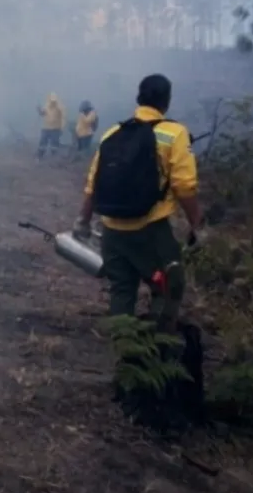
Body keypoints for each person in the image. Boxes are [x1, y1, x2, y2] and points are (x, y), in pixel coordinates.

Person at [73, 74, 205, 327]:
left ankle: (126, 351)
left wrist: (83, 220)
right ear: (166, 101)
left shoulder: (113, 132)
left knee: (121, 290)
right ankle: (155, 350)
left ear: (139, 98)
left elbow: (93, 183)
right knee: (168, 285)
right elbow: (184, 186)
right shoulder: (174, 133)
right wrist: (196, 224)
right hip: (150, 231)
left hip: (111, 230)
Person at [37, 93, 65, 159]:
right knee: (42, 143)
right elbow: (42, 113)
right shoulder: (46, 106)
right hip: (46, 128)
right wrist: (39, 110)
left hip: (56, 128)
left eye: (54, 101)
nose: (52, 102)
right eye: (51, 100)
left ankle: (54, 158)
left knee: (54, 144)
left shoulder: (60, 107)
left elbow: (63, 118)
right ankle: (39, 156)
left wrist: (62, 128)